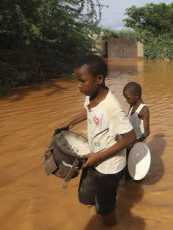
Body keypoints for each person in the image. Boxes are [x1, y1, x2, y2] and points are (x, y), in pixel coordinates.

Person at [57, 55, 136, 227]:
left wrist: (98, 157)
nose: (79, 85)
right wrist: (69, 122)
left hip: (109, 166)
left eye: (82, 81)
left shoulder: (112, 107)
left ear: (99, 79)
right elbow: (88, 110)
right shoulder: (91, 94)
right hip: (93, 157)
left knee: (105, 208)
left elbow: (130, 138)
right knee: (85, 197)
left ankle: (110, 224)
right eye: (77, 80)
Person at [122, 82, 150, 179]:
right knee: (127, 169)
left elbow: (147, 132)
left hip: (138, 144)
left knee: (137, 171)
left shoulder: (144, 110)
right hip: (129, 142)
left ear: (137, 95)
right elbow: (128, 119)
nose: (126, 100)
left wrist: (135, 142)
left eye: (128, 98)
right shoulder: (132, 105)